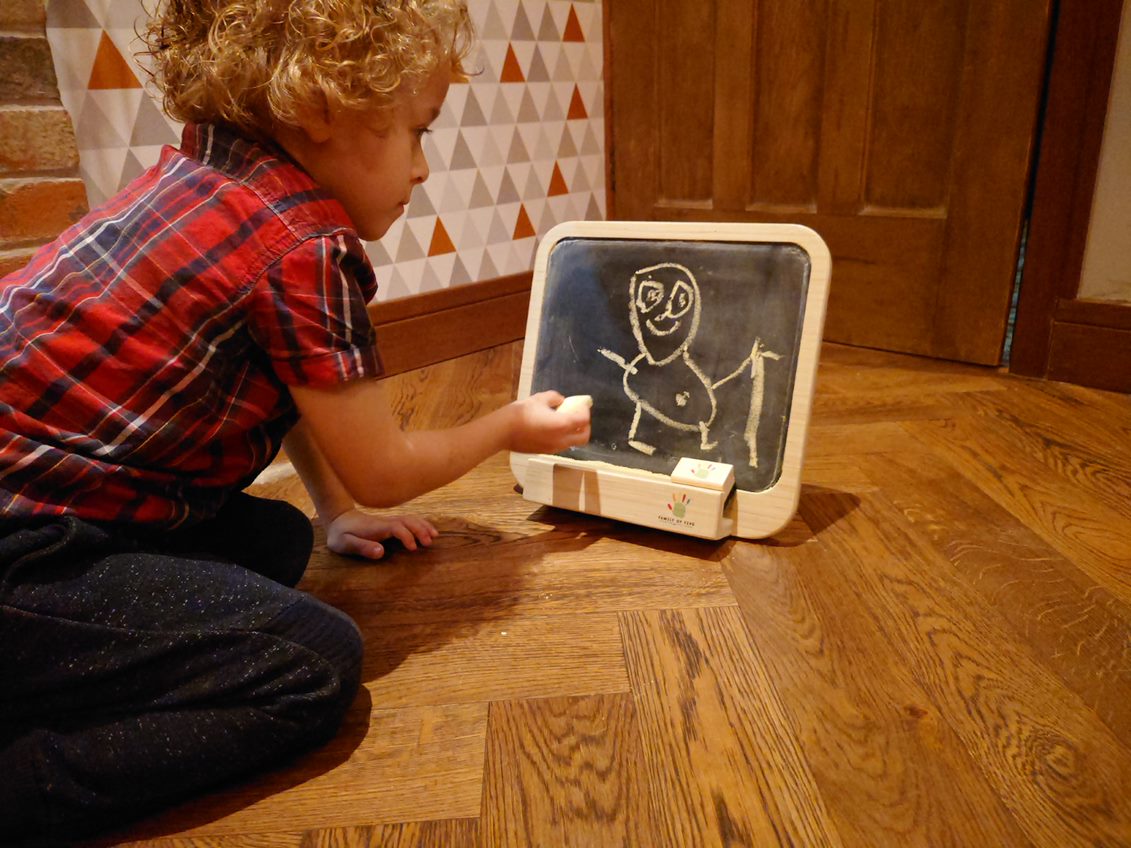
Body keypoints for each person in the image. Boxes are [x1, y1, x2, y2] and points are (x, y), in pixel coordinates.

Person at [0, 0, 590, 839]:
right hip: (27, 552)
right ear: (317, 110)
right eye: (417, 132)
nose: (424, 168)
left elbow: (297, 390)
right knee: (312, 665)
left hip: (52, 513)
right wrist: (505, 427)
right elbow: (385, 465)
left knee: (278, 544)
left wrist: (338, 510)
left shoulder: (199, 181)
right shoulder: (301, 245)